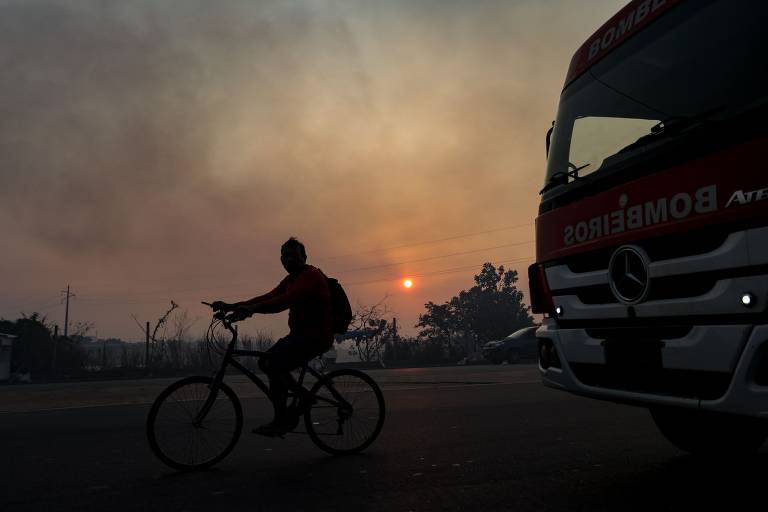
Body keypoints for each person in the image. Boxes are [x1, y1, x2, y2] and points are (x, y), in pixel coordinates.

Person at [212, 237, 333, 436]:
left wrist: (251, 310)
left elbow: (283, 301)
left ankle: (281, 420)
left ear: (304, 257)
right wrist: (233, 306)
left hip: (316, 337)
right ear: (281, 259)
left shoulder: (310, 276)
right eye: (285, 256)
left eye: (294, 255)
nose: (289, 259)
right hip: (299, 336)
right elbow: (269, 297)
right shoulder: (291, 279)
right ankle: (303, 396)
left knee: (274, 364)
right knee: (266, 362)